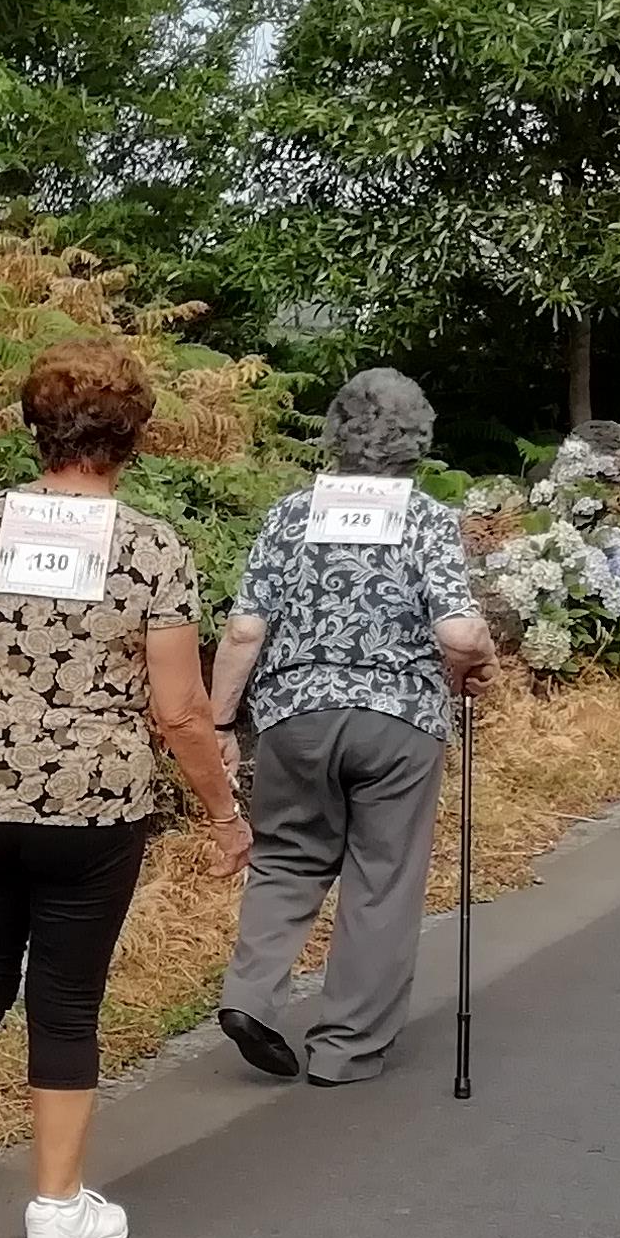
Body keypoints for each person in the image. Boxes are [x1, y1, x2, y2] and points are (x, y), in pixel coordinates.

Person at [0, 341, 249, 1238]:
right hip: (93, 807)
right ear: (133, 436)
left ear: (36, 428)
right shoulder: (152, 548)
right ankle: (56, 1209)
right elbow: (179, 710)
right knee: (67, 999)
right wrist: (225, 813)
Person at [206, 365, 497, 1086]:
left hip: (295, 716)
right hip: (399, 721)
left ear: (336, 432)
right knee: (381, 878)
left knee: (286, 856)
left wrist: (221, 721)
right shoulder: (426, 518)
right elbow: (459, 634)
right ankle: (345, 1048)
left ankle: (250, 998)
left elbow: (244, 630)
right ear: (417, 440)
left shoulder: (289, 514)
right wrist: (480, 660)